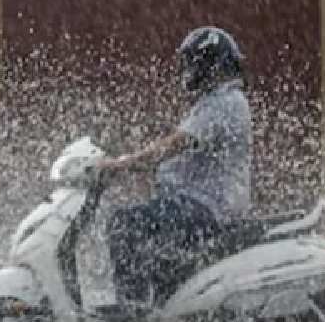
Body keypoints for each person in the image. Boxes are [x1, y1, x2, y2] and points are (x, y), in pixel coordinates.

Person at [99, 26, 252, 305]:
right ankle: (158, 310)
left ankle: (131, 312)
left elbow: (173, 146)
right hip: (199, 205)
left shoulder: (224, 104)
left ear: (208, 64)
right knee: (150, 242)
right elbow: (175, 159)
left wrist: (119, 165)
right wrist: (136, 170)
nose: (187, 70)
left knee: (124, 223)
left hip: (206, 208)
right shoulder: (213, 103)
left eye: (192, 62)